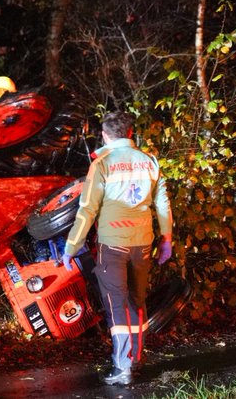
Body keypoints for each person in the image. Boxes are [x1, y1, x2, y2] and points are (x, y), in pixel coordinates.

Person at [60, 111, 173, 386]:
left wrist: (71, 247)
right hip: (143, 243)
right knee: (137, 300)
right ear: (131, 133)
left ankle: (123, 367)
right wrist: (167, 240)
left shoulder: (102, 164)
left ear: (105, 135)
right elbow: (162, 205)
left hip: (113, 244)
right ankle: (135, 357)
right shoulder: (149, 162)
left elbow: (87, 210)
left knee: (116, 305)